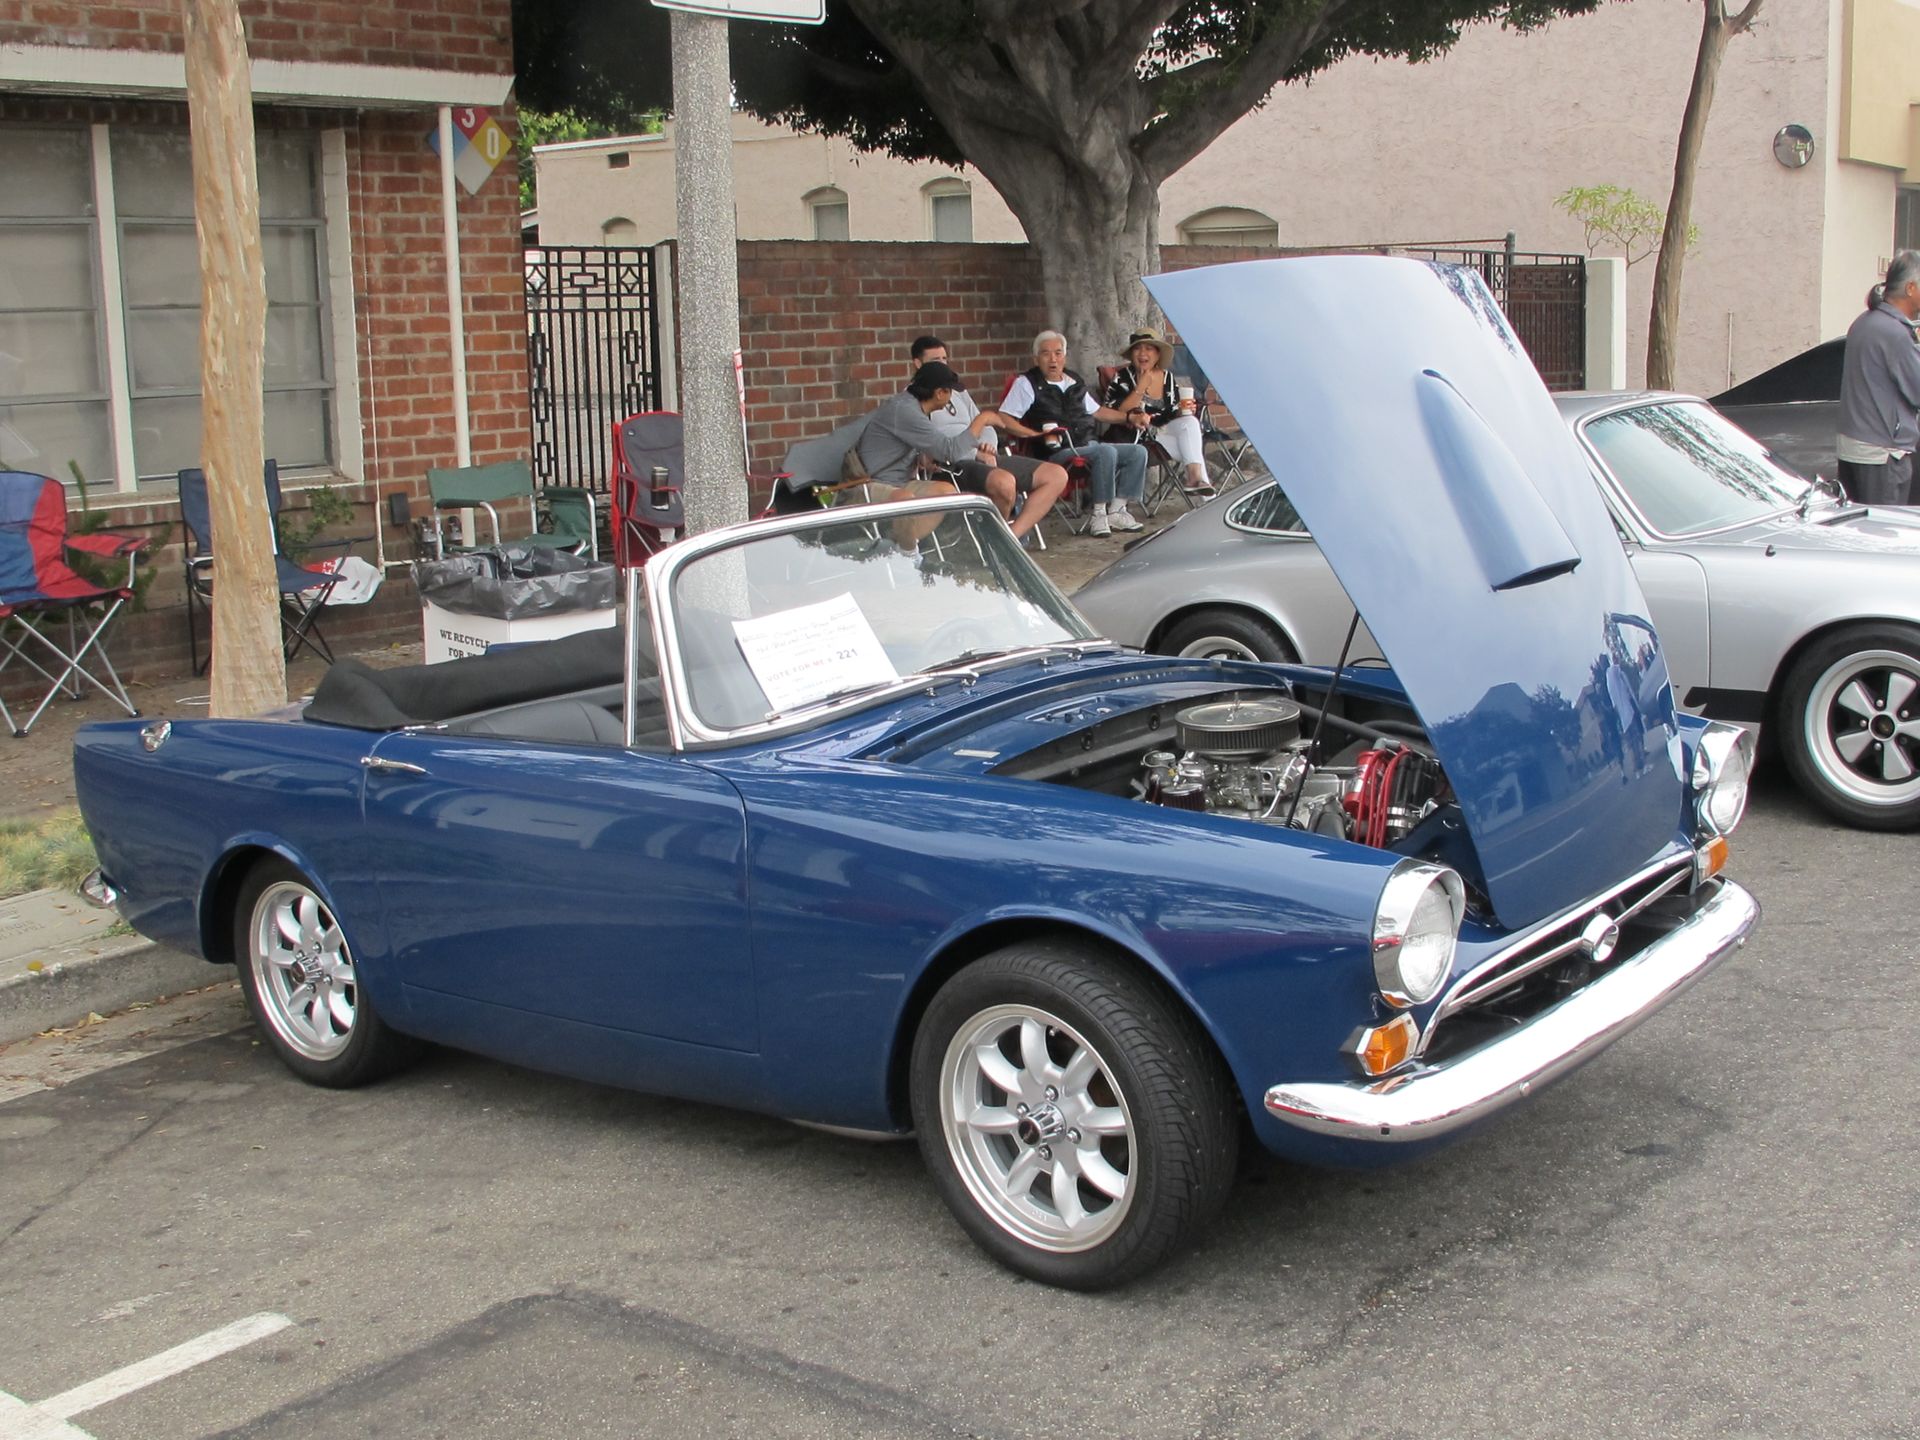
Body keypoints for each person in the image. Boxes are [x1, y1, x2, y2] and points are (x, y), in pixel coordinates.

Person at [908, 334, 1066, 540]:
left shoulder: (957, 390)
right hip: (951, 464)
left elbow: (985, 424)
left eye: (944, 359)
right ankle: (993, 541)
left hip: (983, 455)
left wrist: (987, 447)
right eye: (935, 360)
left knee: (1056, 475)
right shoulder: (912, 399)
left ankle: (1009, 539)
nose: (943, 364)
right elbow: (935, 443)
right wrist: (975, 453)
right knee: (1004, 483)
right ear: (918, 363)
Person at [1001, 330, 1149, 537]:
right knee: (1105, 452)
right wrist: (1033, 434)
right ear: (1036, 359)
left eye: (1058, 353)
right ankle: (1098, 515)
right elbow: (1004, 417)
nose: (1053, 359)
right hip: (1056, 451)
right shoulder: (1027, 383)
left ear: (1065, 356)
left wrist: (1129, 418)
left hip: (1088, 444)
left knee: (1137, 452)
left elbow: (1097, 412)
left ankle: (1117, 511)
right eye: (1046, 353)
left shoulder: (1074, 381)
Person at [1837, 250, 1920, 506]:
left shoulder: (1864, 322)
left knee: (1858, 525)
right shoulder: (1895, 333)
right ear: (1910, 288)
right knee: (1883, 527)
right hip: (1883, 454)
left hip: (1855, 448)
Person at [1102, 327, 1213, 497]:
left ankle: (1196, 480)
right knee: (1192, 450)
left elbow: (1172, 412)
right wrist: (1140, 387)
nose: (1142, 353)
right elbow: (1114, 412)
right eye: (1137, 349)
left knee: (1190, 423)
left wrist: (1184, 410)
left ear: (1158, 354)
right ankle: (1203, 492)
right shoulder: (1122, 377)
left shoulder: (1167, 378)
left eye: (1149, 348)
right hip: (1137, 438)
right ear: (1131, 354)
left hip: (1163, 433)